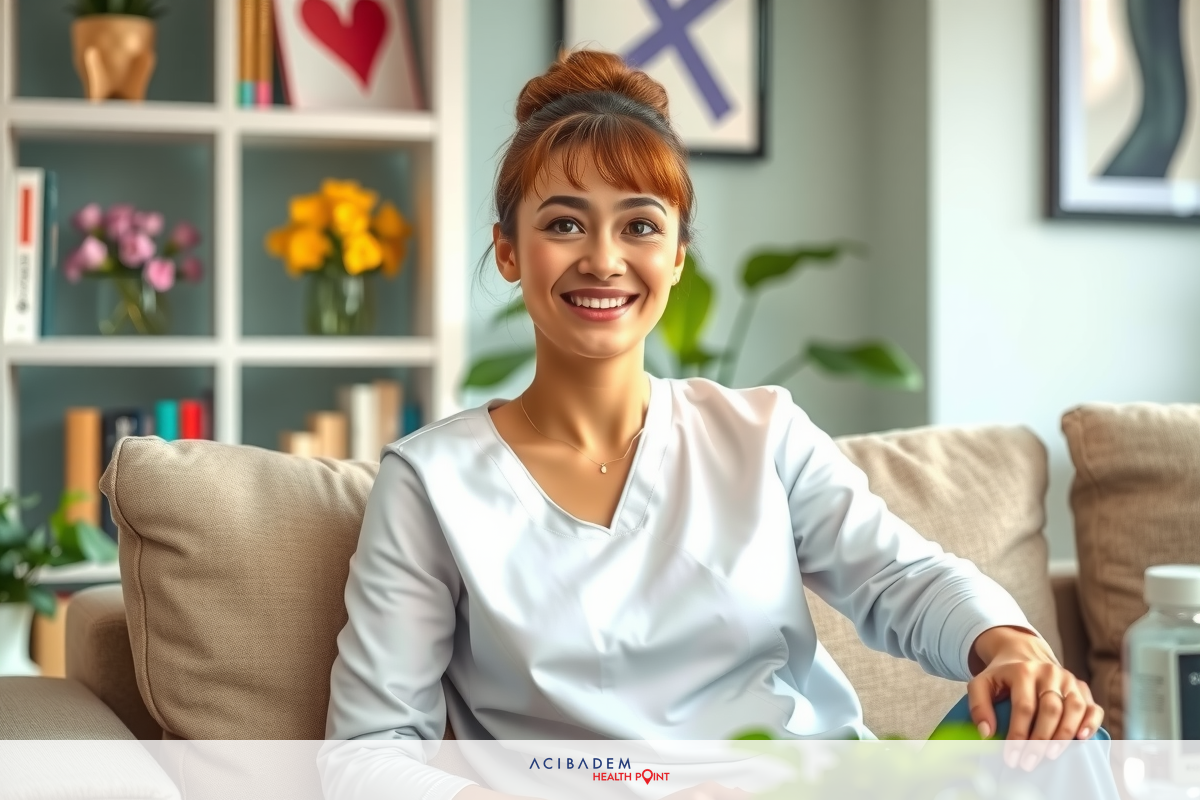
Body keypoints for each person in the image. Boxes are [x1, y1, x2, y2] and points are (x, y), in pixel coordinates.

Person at [320, 50, 1108, 800]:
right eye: (564, 225)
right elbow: (367, 758)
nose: (603, 259)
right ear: (508, 252)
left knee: (1058, 729)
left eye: (640, 226)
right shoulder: (432, 484)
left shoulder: (760, 431)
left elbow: (900, 578)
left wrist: (1009, 644)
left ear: (678, 256)